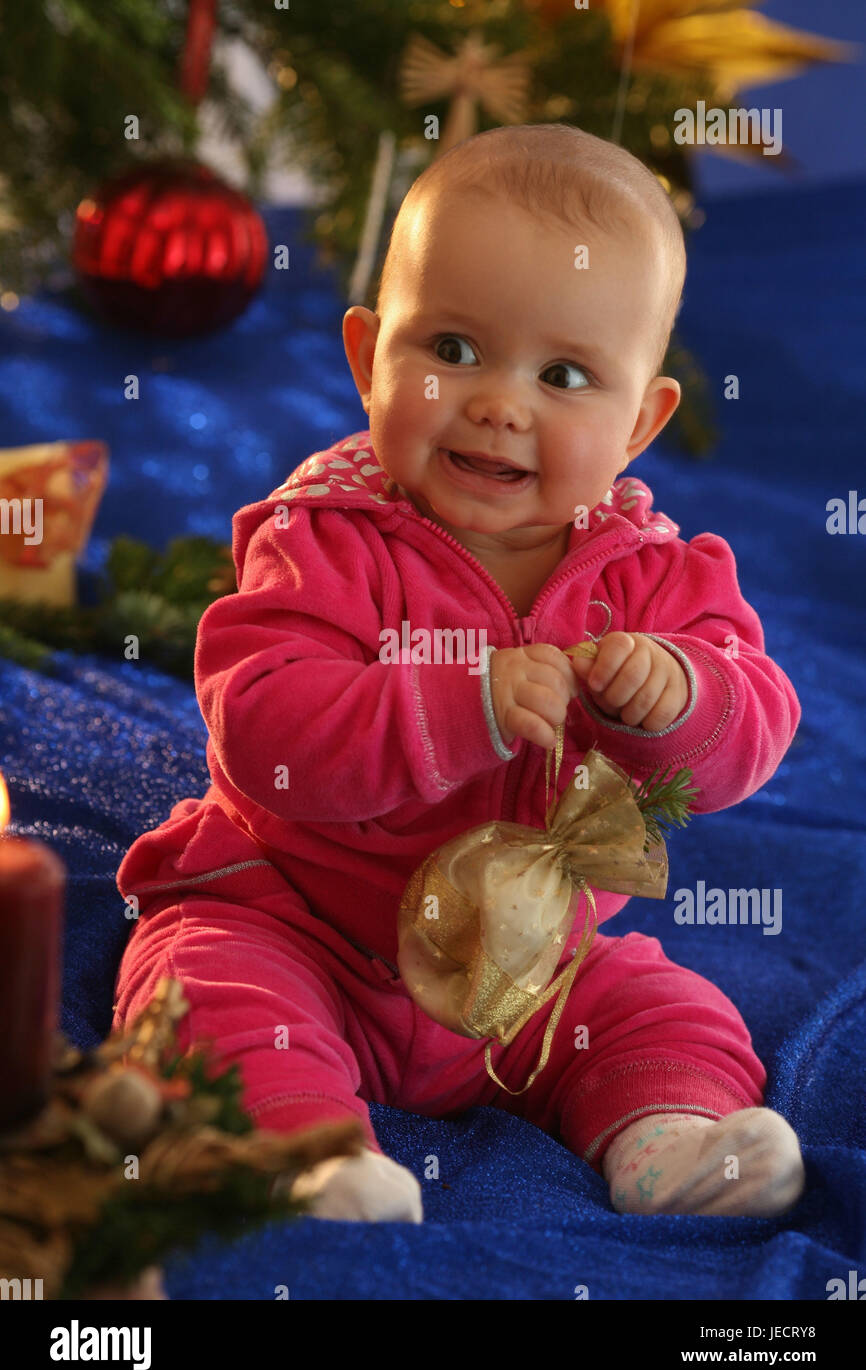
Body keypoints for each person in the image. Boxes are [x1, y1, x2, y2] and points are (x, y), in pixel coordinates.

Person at [114, 124, 805, 1222]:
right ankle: (300, 1153)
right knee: (203, 991)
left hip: (528, 973)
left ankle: (666, 1137)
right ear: (364, 356)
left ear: (638, 421)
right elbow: (260, 720)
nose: (498, 402)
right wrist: (460, 704)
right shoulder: (324, 536)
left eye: (564, 374)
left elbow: (754, 719)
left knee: (671, 1008)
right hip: (300, 923)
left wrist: (679, 696)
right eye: (448, 349)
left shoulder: (654, 573)